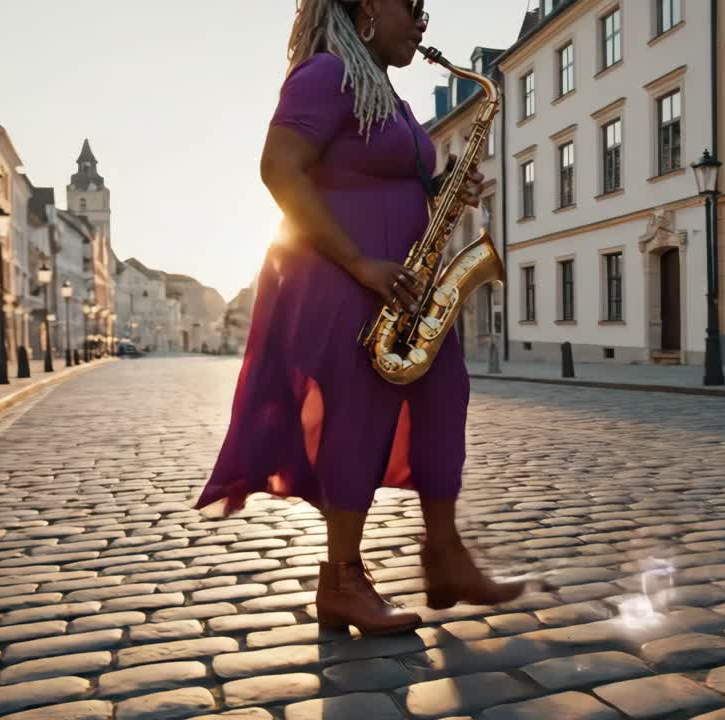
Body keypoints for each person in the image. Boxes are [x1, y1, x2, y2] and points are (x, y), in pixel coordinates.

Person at [193, 0, 526, 636]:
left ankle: (445, 555)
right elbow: (278, 168)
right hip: (348, 283)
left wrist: (447, 188)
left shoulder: (392, 99)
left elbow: (389, 185)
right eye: (414, 7)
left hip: (407, 286)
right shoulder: (325, 74)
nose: (424, 23)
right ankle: (341, 580)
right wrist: (360, 263)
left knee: (443, 398)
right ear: (370, 6)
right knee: (359, 421)